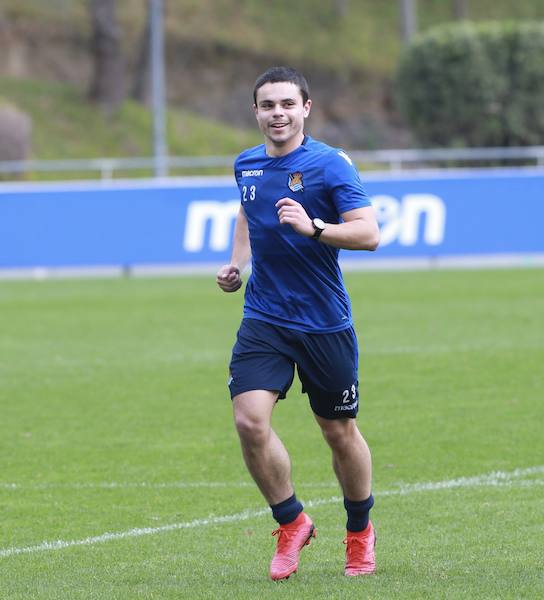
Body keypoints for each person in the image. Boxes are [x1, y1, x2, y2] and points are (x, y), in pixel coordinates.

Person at [217, 66, 380, 580]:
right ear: (255, 112)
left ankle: (360, 532)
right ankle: (291, 522)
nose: (278, 114)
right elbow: (247, 214)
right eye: (268, 105)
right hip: (264, 317)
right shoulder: (246, 165)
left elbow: (369, 234)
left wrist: (315, 228)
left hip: (324, 322)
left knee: (338, 432)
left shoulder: (330, 165)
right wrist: (236, 264)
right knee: (249, 421)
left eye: (288, 104)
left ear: (306, 108)